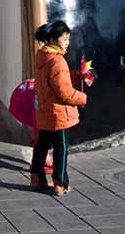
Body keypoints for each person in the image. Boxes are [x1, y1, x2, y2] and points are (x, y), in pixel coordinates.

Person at [30, 21, 88, 195]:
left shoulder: (42, 56)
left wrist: (75, 75)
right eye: (64, 38)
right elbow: (65, 93)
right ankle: (59, 183)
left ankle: (36, 178)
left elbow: (54, 80)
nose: (67, 42)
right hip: (59, 114)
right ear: (54, 39)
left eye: (68, 38)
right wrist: (82, 98)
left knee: (41, 146)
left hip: (45, 112)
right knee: (61, 149)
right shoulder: (58, 61)